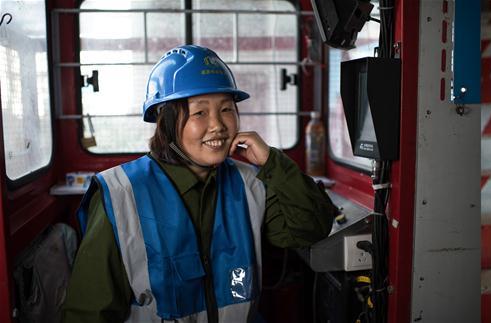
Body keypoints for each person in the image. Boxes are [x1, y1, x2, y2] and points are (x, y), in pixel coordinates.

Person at [62, 45, 338, 323]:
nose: (218, 125)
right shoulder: (121, 194)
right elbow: (88, 313)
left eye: (226, 109)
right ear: (166, 121)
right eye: (200, 113)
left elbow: (311, 229)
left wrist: (272, 162)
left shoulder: (250, 183)